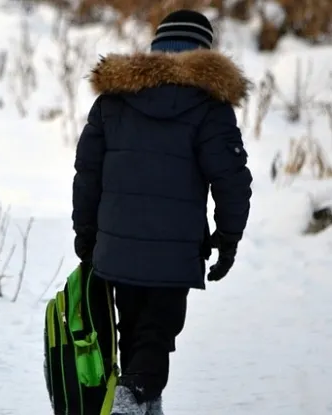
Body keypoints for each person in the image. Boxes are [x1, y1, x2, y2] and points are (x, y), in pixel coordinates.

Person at [71, 9, 254, 415]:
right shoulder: (209, 107)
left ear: (156, 48)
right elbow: (231, 180)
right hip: (174, 253)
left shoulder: (113, 100)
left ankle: (136, 404)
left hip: (116, 248)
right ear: (204, 51)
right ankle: (128, 405)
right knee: (155, 339)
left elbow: (87, 173)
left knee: (135, 335)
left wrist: (86, 232)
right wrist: (228, 237)